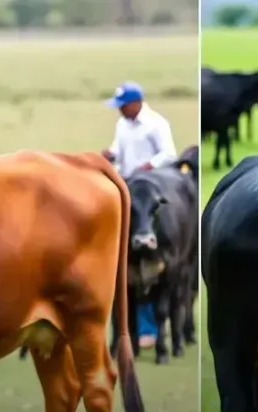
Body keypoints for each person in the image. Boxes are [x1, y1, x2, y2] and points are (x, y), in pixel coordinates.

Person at [102, 81, 177, 350]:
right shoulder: (122, 125)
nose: (120, 110)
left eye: (123, 105)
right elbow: (118, 150)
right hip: (127, 188)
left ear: (136, 103)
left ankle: (150, 328)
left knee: (150, 265)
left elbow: (169, 153)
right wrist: (109, 155)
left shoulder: (157, 123)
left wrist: (148, 165)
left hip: (149, 189)